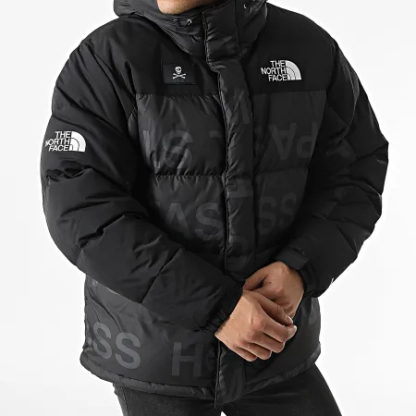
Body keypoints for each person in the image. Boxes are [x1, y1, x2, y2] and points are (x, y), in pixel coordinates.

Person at [40, 0, 389, 414]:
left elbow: (355, 172)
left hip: (275, 342)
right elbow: (83, 211)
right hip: (158, 352)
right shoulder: (109, 58)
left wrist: (301, 267)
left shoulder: (307, 47)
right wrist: (218, 309)